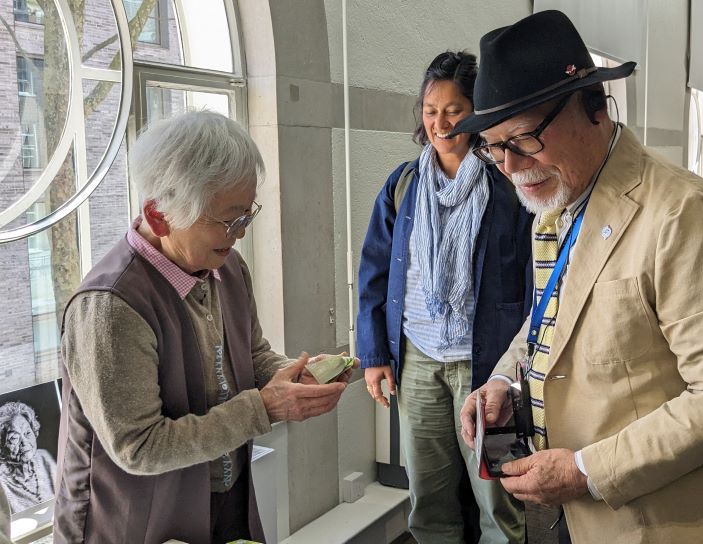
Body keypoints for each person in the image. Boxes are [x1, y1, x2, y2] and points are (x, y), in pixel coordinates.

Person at [455, 11, 703, 544]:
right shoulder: (557, 206)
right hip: (573, 517)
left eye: (523, 139)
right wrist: (504, 380)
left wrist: (584, 469)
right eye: (492, 146)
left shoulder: (683, 214)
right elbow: (553, 318)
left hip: (662, 523)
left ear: (595, 107)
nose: (507, 166)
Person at [54, 111, 354, 544]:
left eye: (246, 216)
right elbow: (140, 446)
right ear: (159, 216)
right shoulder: (110, 306)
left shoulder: (226, 265)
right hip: (132, 522)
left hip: (221, 504)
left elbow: (250, 354)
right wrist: (265, 408)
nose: (240, 234)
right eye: (228, 221)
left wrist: (293, 375)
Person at [357, 51, 532, 543]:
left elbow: (534, 278)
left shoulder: (509, 182)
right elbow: (374, 270)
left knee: (499, 492)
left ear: (476, 112)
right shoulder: (404, 184)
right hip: (418, 363)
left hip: (492, 368)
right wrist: (374, 354)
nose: (440, 122)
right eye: (431, 110)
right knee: (428, 497)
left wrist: (526, 365)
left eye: (454, 110)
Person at [0, 402, 56, 514]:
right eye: (14, 438)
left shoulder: (43, 457)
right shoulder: (2, 484)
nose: (24, 442)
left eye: (27, 433)